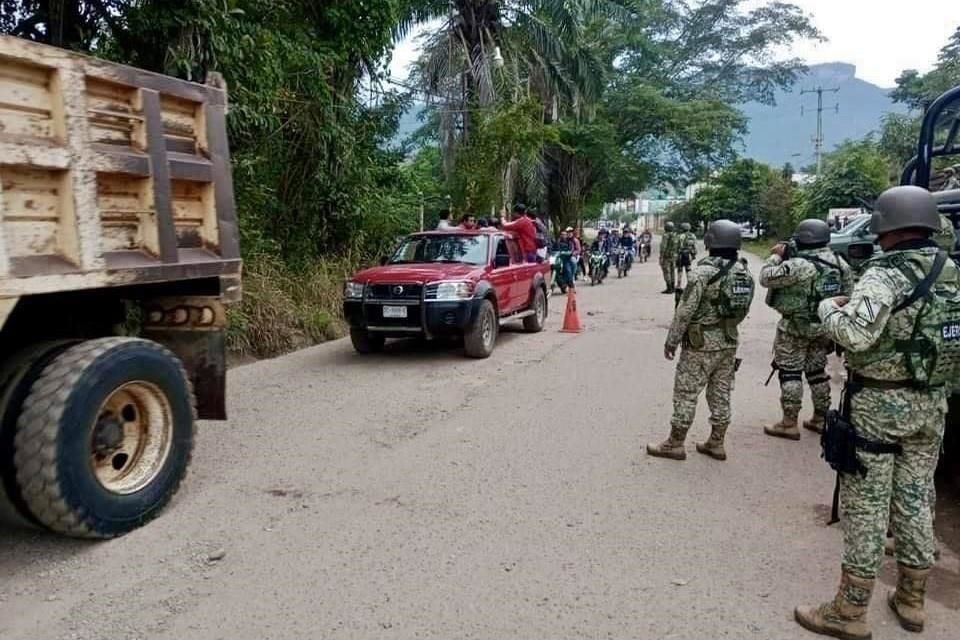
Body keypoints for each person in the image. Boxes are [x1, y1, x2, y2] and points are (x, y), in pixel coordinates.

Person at [794, 186, 960, 639]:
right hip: (931, 406)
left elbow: (854, 335)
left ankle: (848, 610)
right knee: (915, 499)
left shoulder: (883, 275)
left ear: (885, 226)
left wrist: (830, 307)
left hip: (879, 408)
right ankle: (911, 598)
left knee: (867, 506)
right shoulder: (952, 273)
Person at [646, 220, 755, 461]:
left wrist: (672, 340)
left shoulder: (702, 273)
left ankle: (675, 443)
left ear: (710, 241)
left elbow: (685, 311)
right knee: (721, 392)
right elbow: (744, 307)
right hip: (728, 341)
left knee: (686, 392)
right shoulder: (744, 272)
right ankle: (716, 443)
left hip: (700, 343)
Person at [761, 219, 854, 439]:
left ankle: (788, 422)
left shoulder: (797, 265)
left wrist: (776, 255)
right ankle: (821, 418)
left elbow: (766, 277)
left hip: (794, 327)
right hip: (824, 327)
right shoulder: (841, 263)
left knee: (790, 373)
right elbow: (849, 294)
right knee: (817, 373)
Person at [660, 221, 678, 293]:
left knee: (666, 272)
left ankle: (669, 288)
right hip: (673, 256)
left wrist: (661, 256)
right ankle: (673, 287)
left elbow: (663, 246)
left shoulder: (666, 235)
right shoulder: (675, 235)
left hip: (666, 257)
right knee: (672, 272)